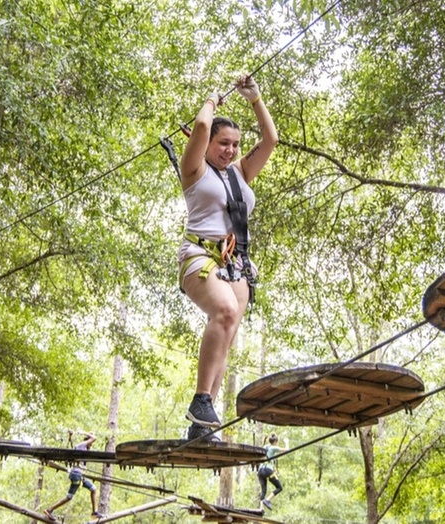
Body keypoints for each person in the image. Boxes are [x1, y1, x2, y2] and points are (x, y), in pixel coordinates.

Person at [178, 74, 278, 441]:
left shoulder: (239, 173)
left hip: (235, 263)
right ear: (206, 145)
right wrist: (211, 98)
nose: (231, 151)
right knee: (224, 312)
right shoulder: (195, 170)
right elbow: (202, 124)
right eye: (223, 143)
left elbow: (270, 140)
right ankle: (201, 399)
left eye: (235, 145)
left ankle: (202, 424)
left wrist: (255, 98)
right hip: (199, 256)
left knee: (228, 332)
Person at [44, 431, 104, 520]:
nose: (90, 446)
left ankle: (94, 512)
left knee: (94, 489)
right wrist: (84, 432)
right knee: (69, 497)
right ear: (88, 441)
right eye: (90, 444)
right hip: (76, 474)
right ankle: (50, 510)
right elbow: (94, 438)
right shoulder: (83, 445)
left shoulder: (82, 448)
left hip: (81, 475)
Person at [258, 433, 288, 510]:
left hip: (260, 471)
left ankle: (261, 509)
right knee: (279, 487)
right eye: (277, 442)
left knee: (263, 490)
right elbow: (286, 450)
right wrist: (287, 442)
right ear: (275, 442)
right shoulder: (273, 448)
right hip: (268, 470)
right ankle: (267, 500)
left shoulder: (265, 447)